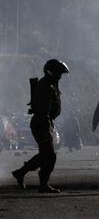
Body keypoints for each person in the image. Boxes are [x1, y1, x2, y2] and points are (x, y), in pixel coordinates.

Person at [12, 59, 69, 193]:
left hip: (44, 122)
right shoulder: (46, 86)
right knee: (50, 155)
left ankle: (21, 173)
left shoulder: (50, 84)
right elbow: (43, 110)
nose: (60, 76)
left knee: (45, 154)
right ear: (51, 72)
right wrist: (46, 128)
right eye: (58, 73)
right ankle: (42, 184)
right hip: (42, 123)